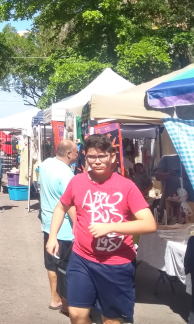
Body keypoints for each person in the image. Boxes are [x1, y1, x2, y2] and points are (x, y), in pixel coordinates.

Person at [46, 134, 156, 324]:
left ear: (112, 157)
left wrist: (110, 227)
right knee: (76, 315)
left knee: (112, 321)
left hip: (116, 264)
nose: (96, 161)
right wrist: (52, 236)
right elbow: (61, 206)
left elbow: (149, 224)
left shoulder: (126, 187)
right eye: (91, 157)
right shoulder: (77, 181)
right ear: (85, 158)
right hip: (82, 259)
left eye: (101, 156)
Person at [39, 140, 79, 315]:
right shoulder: (67, 174)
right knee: (66, 266)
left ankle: (54, 298)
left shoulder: (46, 164)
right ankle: (65, 303)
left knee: (51, 263)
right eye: (77, 151)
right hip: (64, 228)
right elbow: (70, 204)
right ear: (69, 154)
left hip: (48, 223)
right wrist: (79, 226)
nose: (79, 154)